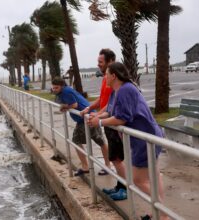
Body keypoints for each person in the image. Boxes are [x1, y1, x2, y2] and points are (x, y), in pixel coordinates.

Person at [88, 62, 166, 220]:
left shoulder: (125, 89)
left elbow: (122, 118)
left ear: (114, 76)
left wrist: (100, 123)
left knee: (137, 180)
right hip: (148, 137)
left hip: (145, 139)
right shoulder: (121, 90)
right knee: (154, 176)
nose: (105, 77)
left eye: (106, 74)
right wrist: (97, 117)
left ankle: (163, 214)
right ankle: (158, 213)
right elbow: (111, 110)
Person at [80, 48, 127, 200]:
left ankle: (125, 188)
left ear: (111, 62)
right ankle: (120, 186)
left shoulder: (115, 81)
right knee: (116, 157)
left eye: (101, 62)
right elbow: (104, 101)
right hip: (107, 120)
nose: (98, 64)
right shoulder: (106, 79)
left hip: (113, 121)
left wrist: (99, 118)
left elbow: (113, 105)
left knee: (117, 158)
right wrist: (91, 109)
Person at [51, 77, 111, 176]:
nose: (54, 90)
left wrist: (65, 107)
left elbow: (74, 105)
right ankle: (97, 166)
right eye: (53, 88)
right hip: (85, 118)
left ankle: (94, 166)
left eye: (56, 88)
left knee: (86, 141)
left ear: (62, 86)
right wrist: (65, 106)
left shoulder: (66, 91)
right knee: (98, 141)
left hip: (87, 118)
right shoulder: (63, 91)